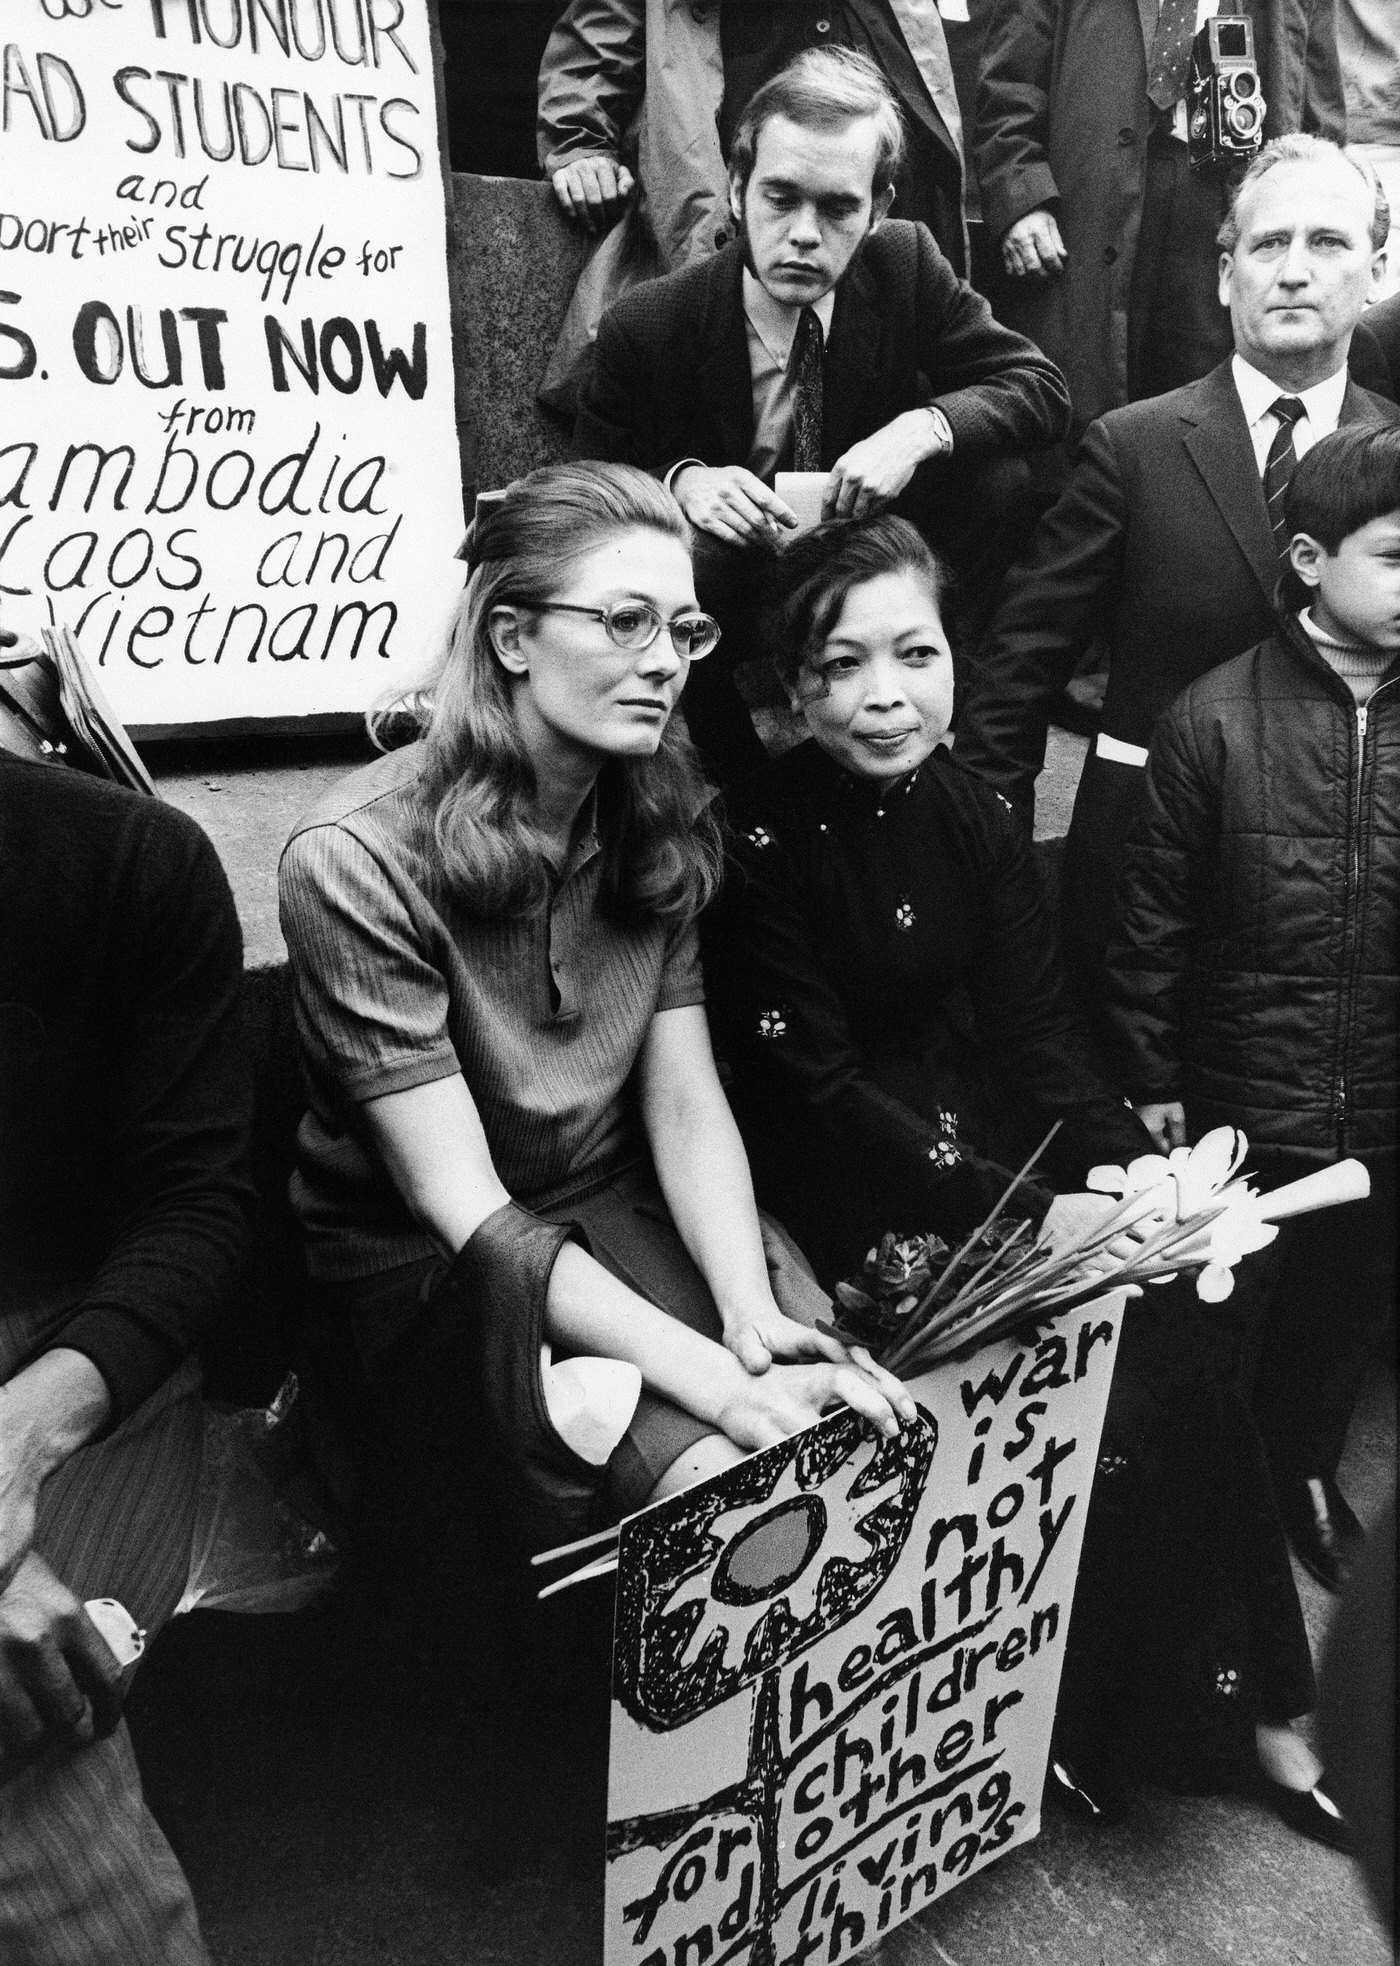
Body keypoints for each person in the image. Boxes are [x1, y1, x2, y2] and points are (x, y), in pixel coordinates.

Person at [703, 512, 1347, 1841]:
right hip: (849, 1174)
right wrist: (1027, 1205)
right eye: (840, 666)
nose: (885, 695)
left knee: (1190, 1301)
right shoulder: (755, 841)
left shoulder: (973, 805)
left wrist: (1134, 1167)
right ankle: (1082, 1704)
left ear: (959, 658)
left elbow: (1041, 1029)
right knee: (1095, 1343)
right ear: (790, 684)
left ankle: (1233, 1701)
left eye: (916, 653)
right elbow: (811, 1089)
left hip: (987, 1130)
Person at [277, 461, 913, 1571]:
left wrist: (743, 1305)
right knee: (720, 1489)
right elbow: (462, 1206)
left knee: (827, 1428)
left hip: (610, 1198)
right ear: (512, 637)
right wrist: (709, 1375)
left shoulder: (654, 810)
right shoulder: (353, 858)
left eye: (684, 628)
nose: (663, 660)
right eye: (624, 621)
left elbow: (682, 1099)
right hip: (436, 1259)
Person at [954, 135, 1399, 1008]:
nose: (1295, 271)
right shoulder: (1134, 447)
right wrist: (990, 860)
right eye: (1268, 245)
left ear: (1377, 269)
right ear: (1225, 274)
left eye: (1329, 243)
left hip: (1356, 901)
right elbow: (1019, 672)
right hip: (1147, 891)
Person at [575, 48, 1071, 782]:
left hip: (867, 563)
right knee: (682, 554)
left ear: (879, 210)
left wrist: (921, 431)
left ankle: (924, 708)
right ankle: (737, 781)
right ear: (738, 189)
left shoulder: (905, 267)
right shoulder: (651, 323)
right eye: (780, 198)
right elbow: (583, 489)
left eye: (838, 207)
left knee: (997, 479)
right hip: (736, 585)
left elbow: (1038, 384)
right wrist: (680, 483)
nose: (805, 233)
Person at [1103, 424, 1398, 1595]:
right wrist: (1153, 1073)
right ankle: (1209, 1518)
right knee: (1224, 1322)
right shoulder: (1212, 717)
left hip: (1382, 1091)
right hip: (1242, 1091)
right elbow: (1151, 922)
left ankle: (1306, 1469)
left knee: (1343, 1307)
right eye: (1394, 554)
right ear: (1308, 560)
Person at [0, 695, 253, 1963]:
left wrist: (17, 1443)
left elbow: (194, 1211)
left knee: (18, 1719)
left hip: (78, 1365)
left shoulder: (122, 860)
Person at [535, 0, 970, 412]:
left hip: (878, 161)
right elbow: (600, 31)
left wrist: (931, 428)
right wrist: (579, 137)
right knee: (713, 386)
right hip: (731, 162)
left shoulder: (904, 247)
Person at [972, 0, 1345, 445]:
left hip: (1227, 204)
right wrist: (1021, 196)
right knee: (1080, 395)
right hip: (1088, 199)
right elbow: (1009, 83)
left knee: (1206, 412)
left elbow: (1319, 110)